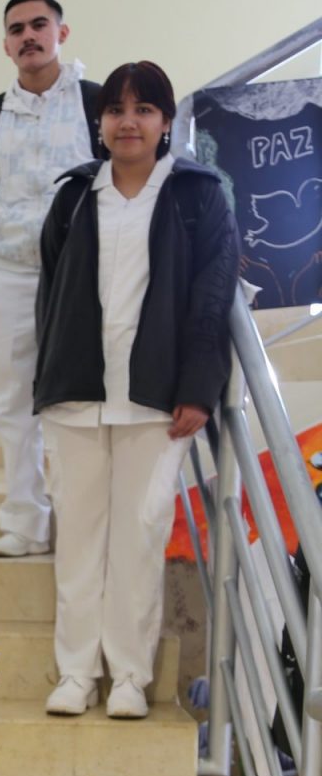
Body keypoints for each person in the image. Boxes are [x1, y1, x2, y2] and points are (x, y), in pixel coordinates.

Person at [35, 61, 239, 718]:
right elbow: (50, 294)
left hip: (157, 399)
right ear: (99, 122)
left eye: (144, 109)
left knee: (140, 536)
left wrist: (199, 388)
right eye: (116, 109)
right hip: (75, 395)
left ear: (165, 122)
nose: (128, 121)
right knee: (79, 541)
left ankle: (128, 675)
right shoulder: (74, 196)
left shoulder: (197, 195)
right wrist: (46, 380)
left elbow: (212, 295)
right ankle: (76, 673)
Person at [0, 0, 100, 556]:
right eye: (17, 29)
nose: (29, 36)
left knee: (81, 407)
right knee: (13, 408)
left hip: (84, 281)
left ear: (62, 33)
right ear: (6, 45)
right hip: (8, 280)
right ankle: (25, 526)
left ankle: (83, 527)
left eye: (40, 25)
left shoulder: (98, 104)